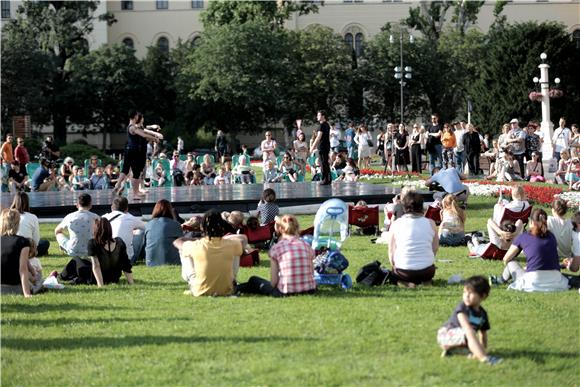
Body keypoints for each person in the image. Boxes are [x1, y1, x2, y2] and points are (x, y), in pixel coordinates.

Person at [238, 215, 316, 297]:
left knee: (253, 280)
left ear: (280, 229)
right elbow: (312, 272)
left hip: (286, 291)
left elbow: (274, 282)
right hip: (310, 290)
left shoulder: (277, 248)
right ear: (297, 228)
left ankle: (235, 288)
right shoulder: (307, 245)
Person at [174, 210, 243, 297]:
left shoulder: (196, 245)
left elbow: (177, 242)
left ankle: (192, 280)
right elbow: (242, 239)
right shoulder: (233, 244)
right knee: (236, 251)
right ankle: (232, 281)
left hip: (199, 290)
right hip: (227, 290)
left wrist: (195, 240)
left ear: (202, 227)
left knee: (183, 249)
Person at [499, 208, 570, 292]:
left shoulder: (524, 236)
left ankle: (500, 280)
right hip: (556, 279)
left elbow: (506, 259)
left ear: (531, 222)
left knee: (512, 264)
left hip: (534, 280)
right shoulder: (551, 237)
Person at [437, 276, 502, 365]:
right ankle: (484, 359)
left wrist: (483, 349)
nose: (466, 296)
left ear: (483, 296)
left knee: (472, 339)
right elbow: (467, 328)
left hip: (463, 337)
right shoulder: (462, 307)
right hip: (446, 334)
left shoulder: (483, 314)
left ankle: (453, 351)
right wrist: (483, 355)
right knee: (470, 333)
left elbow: (483, 335)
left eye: (470, 293)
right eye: (464, 292)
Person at [387, 192, 438, 287]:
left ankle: (406, 282)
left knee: (396, 275)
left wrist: (394, 266)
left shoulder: (396, 224)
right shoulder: (431, 223)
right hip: (427, 271)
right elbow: (434, 249)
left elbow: (391, 251)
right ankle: (423, 281)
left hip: (403, 271)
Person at [113, 111, 164, 198]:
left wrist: (153, 132)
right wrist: (155, 138)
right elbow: (143, 134)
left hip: (129, 150)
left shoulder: (132, 126)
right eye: (137, 116)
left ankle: (118, 185)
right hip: (134, 151)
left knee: (126, 170)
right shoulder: (132, 127)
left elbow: (144, 130)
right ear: (135, 117)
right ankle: (135, 193)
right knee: (135, 172)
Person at [102, 196, 146, 264]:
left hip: (106, 258)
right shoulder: (130, 218)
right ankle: (143, 255)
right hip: (127, 259)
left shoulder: (104, 217)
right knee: (140, 232)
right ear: (127, 209)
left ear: (112, 207)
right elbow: (146, 227)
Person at [55, 193, 100, 258]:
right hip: (91, 251)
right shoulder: (95, 217)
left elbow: (57, 231)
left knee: (59, 234)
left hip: (73, 251)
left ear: (77, 205)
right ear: (90, 205)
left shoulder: (70, 216)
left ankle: (63, 247)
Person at [0, 209, 33, 297]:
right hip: (15, 286)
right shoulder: (22, 242)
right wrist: (27, 294)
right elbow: (23, 269)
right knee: (36, 280)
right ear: (17, 223)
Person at [143, 199, 182, 266]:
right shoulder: (176, 225)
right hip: (172, 262)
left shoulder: (148, 225)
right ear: (170, 210)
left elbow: (145, 244)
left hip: (150, 262)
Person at [10, 192, 50, 256]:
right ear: (26, 203)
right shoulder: (32, 217)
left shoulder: (7, 215)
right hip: (27, 249)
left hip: (10, 248)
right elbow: (36, 240)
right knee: (45, 243)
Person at [310, 110, 331, 185]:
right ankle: (328, 179)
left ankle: (324, 180)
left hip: (322, 146)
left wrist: (312, 147)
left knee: (322, 163)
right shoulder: (327, 125)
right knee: (326, 163)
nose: (317, 117)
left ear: (323, 116)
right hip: (326, 145)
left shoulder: (321, 125)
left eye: (318, 115)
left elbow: (318, 137)